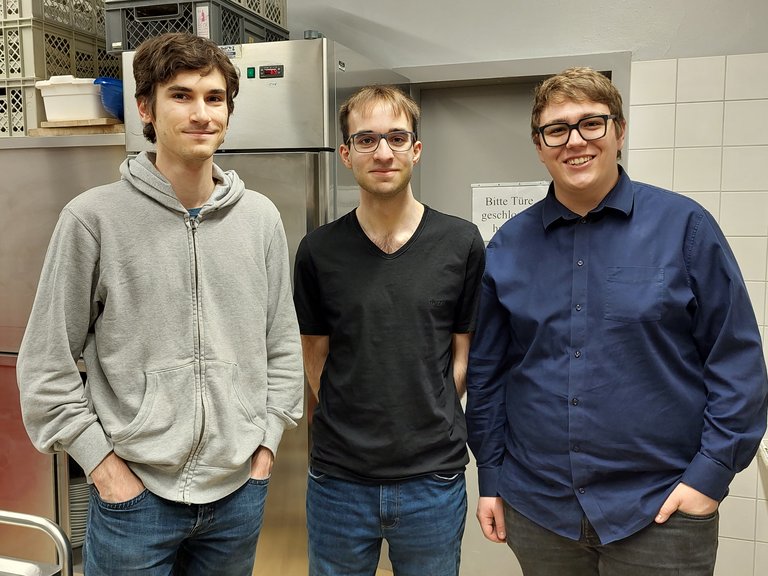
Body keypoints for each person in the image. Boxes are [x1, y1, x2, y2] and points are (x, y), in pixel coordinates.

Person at [16, 32, 304, 576]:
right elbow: (45, 365)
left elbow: (282, 344)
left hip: (238, 495)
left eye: (214, 98)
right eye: (181, 96)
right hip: (135, 500)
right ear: (145, 108)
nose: (201, 114)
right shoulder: (93, 219)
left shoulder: (260, 218)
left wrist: (265, 446)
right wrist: (104, 469)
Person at [465, 66, 768, 576]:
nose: (574, 141)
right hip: (539, 511)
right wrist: (491, 475)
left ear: (619, 131)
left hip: (660, 511)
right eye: (556, 129)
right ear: (539, 145)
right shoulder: (508, 245)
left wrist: (710, 475)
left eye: (591, 123)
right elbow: (488, 375)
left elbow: (736, 363)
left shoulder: (685, 228)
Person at [293, 85, 486, 576]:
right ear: (346, 154)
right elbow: (314, 354)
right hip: (338, 480)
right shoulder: (318, 250)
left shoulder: (461, 242)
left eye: (397, 138)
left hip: (432, 479)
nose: (383, 153)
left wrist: (424, 412)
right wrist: (355, 420)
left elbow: (463, 354)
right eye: (366, 139)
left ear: (415, 150)